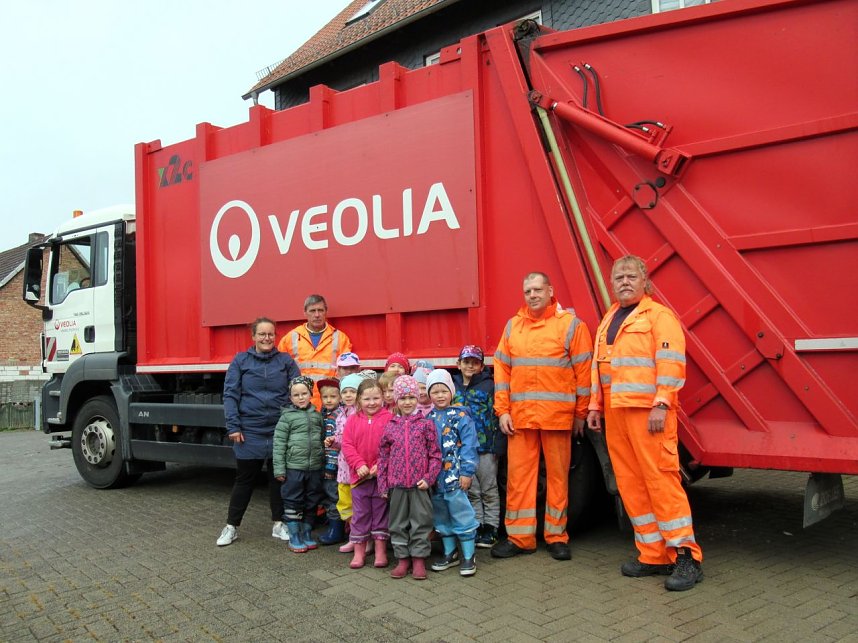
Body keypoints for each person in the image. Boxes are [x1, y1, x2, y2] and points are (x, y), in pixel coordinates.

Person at [586, 255, 703, 591]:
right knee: (631, 484)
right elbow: (600, 367)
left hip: (649, 414)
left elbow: (671, 362)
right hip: (617, 414)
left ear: (644, 281)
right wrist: (595, 404)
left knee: (661, 482)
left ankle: (686, 556)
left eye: (630, 276)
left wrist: (662, 402)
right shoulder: (610, 318)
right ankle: (652, 554)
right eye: (618, 277)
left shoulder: (659, 316)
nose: (624, 281)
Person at [492, 272, 593, 561]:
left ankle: (556, 536)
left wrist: (580, 414)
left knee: (558, 479)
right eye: (527, 291)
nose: (532, 295)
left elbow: (583, 373)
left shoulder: (571, 326)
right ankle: (520, 538)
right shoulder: (513, 327)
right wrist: (503, 410)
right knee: (518, 479)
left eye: (537, 289)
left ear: (551, 291)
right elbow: (502, 371)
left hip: (557, 417)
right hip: (521, 418)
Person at [217, 317, 300, 546]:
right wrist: (233, 426)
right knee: (244, 480)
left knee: (278, 479)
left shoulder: (285, 361)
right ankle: (231, 527)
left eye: (270, 334)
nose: (266, 338)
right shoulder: (240, 361)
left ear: (276, 336)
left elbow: (298, 392)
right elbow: (231, 395)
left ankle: (278, 524)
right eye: (262, 334)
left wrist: (292, 424)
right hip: (249, 430)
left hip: (279, 429)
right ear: (253, 337)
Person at [377, 375, 442, 580]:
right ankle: (402, 560)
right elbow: (383, 457)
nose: (407, 402)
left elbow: (435, 455)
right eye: (403, 398)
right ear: (396, 400)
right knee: (397, 523)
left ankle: (419, 560)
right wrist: (383, 485)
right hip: (396, 485)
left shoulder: (426, 425)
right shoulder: (390, 425)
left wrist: (429, 478)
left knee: (421, 522)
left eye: (411, 398)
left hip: (419, 485)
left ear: (417, 398)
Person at [426, 369, 480, 577]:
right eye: (435, 391)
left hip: (456, 479)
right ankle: (450, 553)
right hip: (435, 480)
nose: (440, 396)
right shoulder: (428, 418)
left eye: (444, 391)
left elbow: (469, 446)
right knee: (441, 516)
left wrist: (467, 472)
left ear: (451, 391)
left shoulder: (461, 416)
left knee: (461, 515)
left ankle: (468, 555)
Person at [341, 378, 394, 569]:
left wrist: (381, 465)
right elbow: (347, 445)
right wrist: (358, 464)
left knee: (380, 514)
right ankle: (359, 553)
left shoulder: (389, 419)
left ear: (383, 398)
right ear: (358, 400)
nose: (372, 403)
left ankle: (381, 552)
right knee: (360, 515)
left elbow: (391, 446)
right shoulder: (352, 421)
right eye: (367, 399)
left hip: (381, 478)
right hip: (359, 478)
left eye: (376, 398)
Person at [452, 345, 502, 548]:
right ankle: (477, 525)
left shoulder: (489, 386)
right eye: (466, 362)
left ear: (481, 365)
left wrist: (498, 446)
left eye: (475, 362)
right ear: (459, 364)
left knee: (489, 488)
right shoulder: (452, 387)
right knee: (471, 489)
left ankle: (491, 528)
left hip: (485, 447)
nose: (470, 365)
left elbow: (497, 415)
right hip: (463, 449)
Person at [273, 376, 326, 553]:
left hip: (315, 468)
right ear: (290, 398)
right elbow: (279, 444)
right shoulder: (286, 418)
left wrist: (323, 463)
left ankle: (307, 533)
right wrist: (279, 469)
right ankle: (295, 535)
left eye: (304, 393)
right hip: (294, 468)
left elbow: (321, 440)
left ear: (311, 394)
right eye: (296, 395)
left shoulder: (317, 416)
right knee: (293, 501)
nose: (300, 397)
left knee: (312, 501)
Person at [278, 294, 353, 410]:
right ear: (305, 312)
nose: (317, 315)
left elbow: (347, 374)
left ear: (326, 312)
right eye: (312, 311)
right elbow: (279, 372)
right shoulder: (290, 338)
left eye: (320, 310)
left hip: (329, 404)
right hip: (300, 404)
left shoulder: (340, 338)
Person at [328, 373, 362, 553]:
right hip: (343, 469)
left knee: (360, 507)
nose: (348, 395)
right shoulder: (341, 414)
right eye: (345, 392)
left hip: (357, 469)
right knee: (345, 504)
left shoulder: (361, 414)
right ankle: (353, 535)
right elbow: (343, 440)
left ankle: (360, 539)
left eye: (353, 391)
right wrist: (334, 441)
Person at [317, 377, 345, 545]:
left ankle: (336, 530)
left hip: (333, 465)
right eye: (325, 397)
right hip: (326, 462)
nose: (328, 400)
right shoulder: (324, 413)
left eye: (333, 396)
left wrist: (330, 465)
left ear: (340, 397)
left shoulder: (337, 416)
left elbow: (335, 443)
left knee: (333, 495)